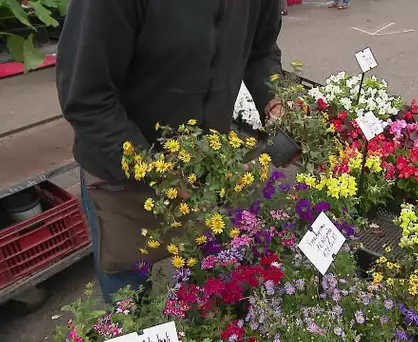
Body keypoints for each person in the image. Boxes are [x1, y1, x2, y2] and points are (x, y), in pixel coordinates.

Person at [57, 0, 284, 303]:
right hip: (120, 175)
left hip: (203, 167)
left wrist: (274, 100)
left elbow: (261, 50)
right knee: (131, 308)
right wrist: (159, 173)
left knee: (210, 297)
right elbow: (87, 96)